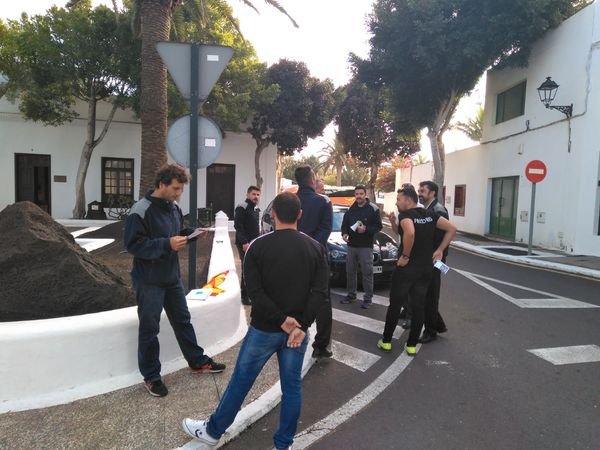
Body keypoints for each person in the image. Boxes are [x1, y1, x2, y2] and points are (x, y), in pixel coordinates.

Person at [182, 192, 329, 450]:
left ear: (273, 214)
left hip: (264, 330)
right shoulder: (316, 248)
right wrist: (301, 325)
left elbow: (255, 293)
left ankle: (213, 431)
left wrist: (282, 320)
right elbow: (320, 293)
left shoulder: (258, 247)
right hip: (297, 333)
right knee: (292, 388)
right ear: (300, 215)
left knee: (241, 380)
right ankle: (283, 444)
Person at [124, 164, 226, 397]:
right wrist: (166, 244)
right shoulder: (140, 210)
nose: (179, 194)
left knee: (182, 321)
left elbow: (177, 233)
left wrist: (192, 234)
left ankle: (197, 361)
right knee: (150, 329)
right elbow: (133, 245)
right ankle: (151, 377)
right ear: (162, 184)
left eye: (181, 189)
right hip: (148, 280)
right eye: (176, 189)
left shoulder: (174, 207)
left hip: (172, 278)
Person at [378, 187, 456, 356]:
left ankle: (386, 341)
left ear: (408, 200)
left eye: (398, 199)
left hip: (406, 269)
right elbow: (452, 228)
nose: (396, 203)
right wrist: (440, 250)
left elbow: (411, 233)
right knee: (419, 306)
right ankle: (411, 345)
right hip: (425, 269)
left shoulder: (406, 216)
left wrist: (405, 256)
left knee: (395, 304)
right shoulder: (430, 215)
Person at [295, 166, 334, 359]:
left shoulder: (289, 200)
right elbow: (325, 230)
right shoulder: (323, 201)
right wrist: (311, 249)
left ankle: (293, 334)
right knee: (323, 301)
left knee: (294, 297)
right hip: (317, 258)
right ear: (312, 180)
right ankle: (321, 345)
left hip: (293, 256)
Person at [341, 184, 383, 309]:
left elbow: (378, 226)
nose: (358, 196)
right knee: (350, 272)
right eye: (356, 194)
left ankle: (368, 299)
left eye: (361, 194)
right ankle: (351, 295)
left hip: (366, 246)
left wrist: (366, 229)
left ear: (365, 194)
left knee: (367, 273)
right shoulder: (351, 209)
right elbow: (345, 225)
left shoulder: (373, 209)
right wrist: (344, 233)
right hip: (351, 245)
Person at [418, 180, 450, 342]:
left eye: (422, 191)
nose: (419, 193)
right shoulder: (427, 209)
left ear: (432, 193)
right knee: (426, 294)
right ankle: (438, 325)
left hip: (435, 260)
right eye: (419, 191)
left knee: (430, 295)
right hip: (428, 259)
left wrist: (440, 250)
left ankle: (431, 332)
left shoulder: (438, 210)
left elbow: (447, 233)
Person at [234, 185, 261, 305]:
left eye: (258, 194)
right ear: (247, 195)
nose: (256, 197)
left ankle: (250, 293)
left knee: (253, 268)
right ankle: (244, 296)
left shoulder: (256, 209)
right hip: (244, 244)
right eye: (253, 194)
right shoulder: (242, 207)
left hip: (253, 243)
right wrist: (244, 242)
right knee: (247, 268)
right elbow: (238, 226)